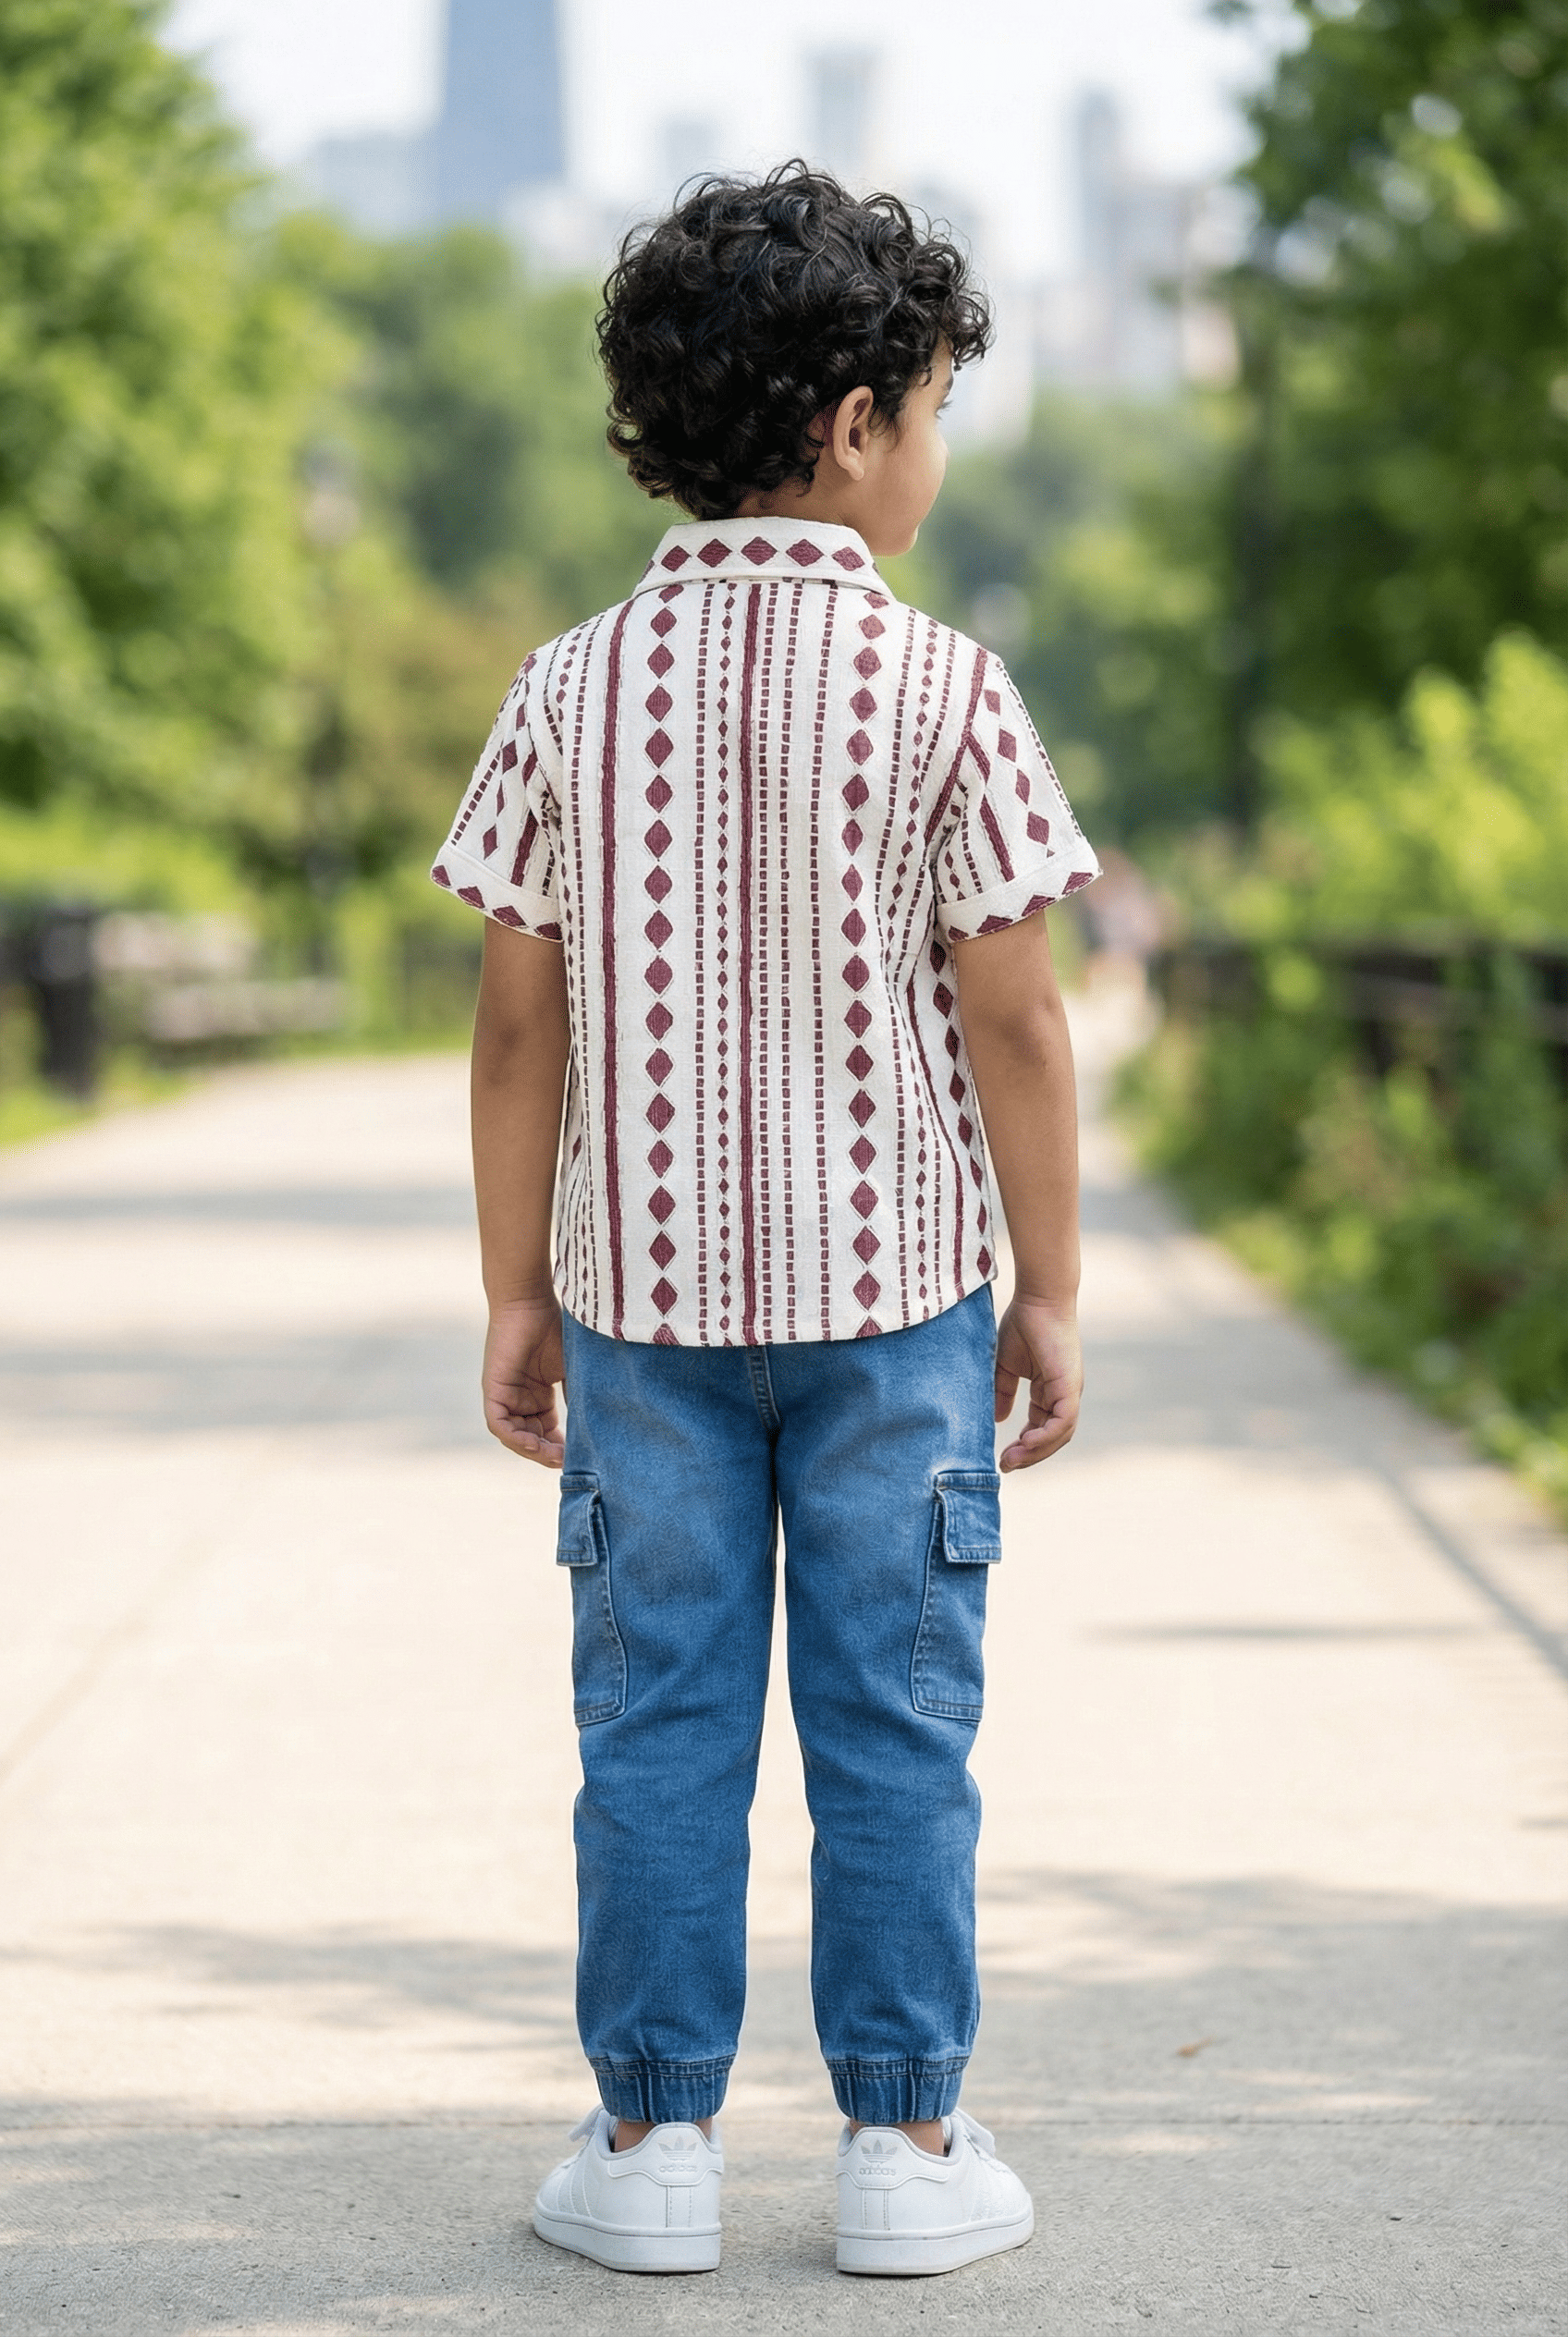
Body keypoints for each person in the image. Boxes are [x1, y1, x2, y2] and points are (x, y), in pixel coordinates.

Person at [431, 162, 1099, 2280]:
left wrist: (513, 1285)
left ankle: (649, 2142)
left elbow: (511, 1025)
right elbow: (1015, 1020)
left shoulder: (564, 687)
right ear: (843, 423)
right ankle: (903, 2151)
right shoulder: (946, 692)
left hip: (635, 1306)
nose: (929, 450)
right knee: (893, 1723)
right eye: (920, 409)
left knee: (654, 1721)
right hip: (900, 1300)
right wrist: (1051, 1286)